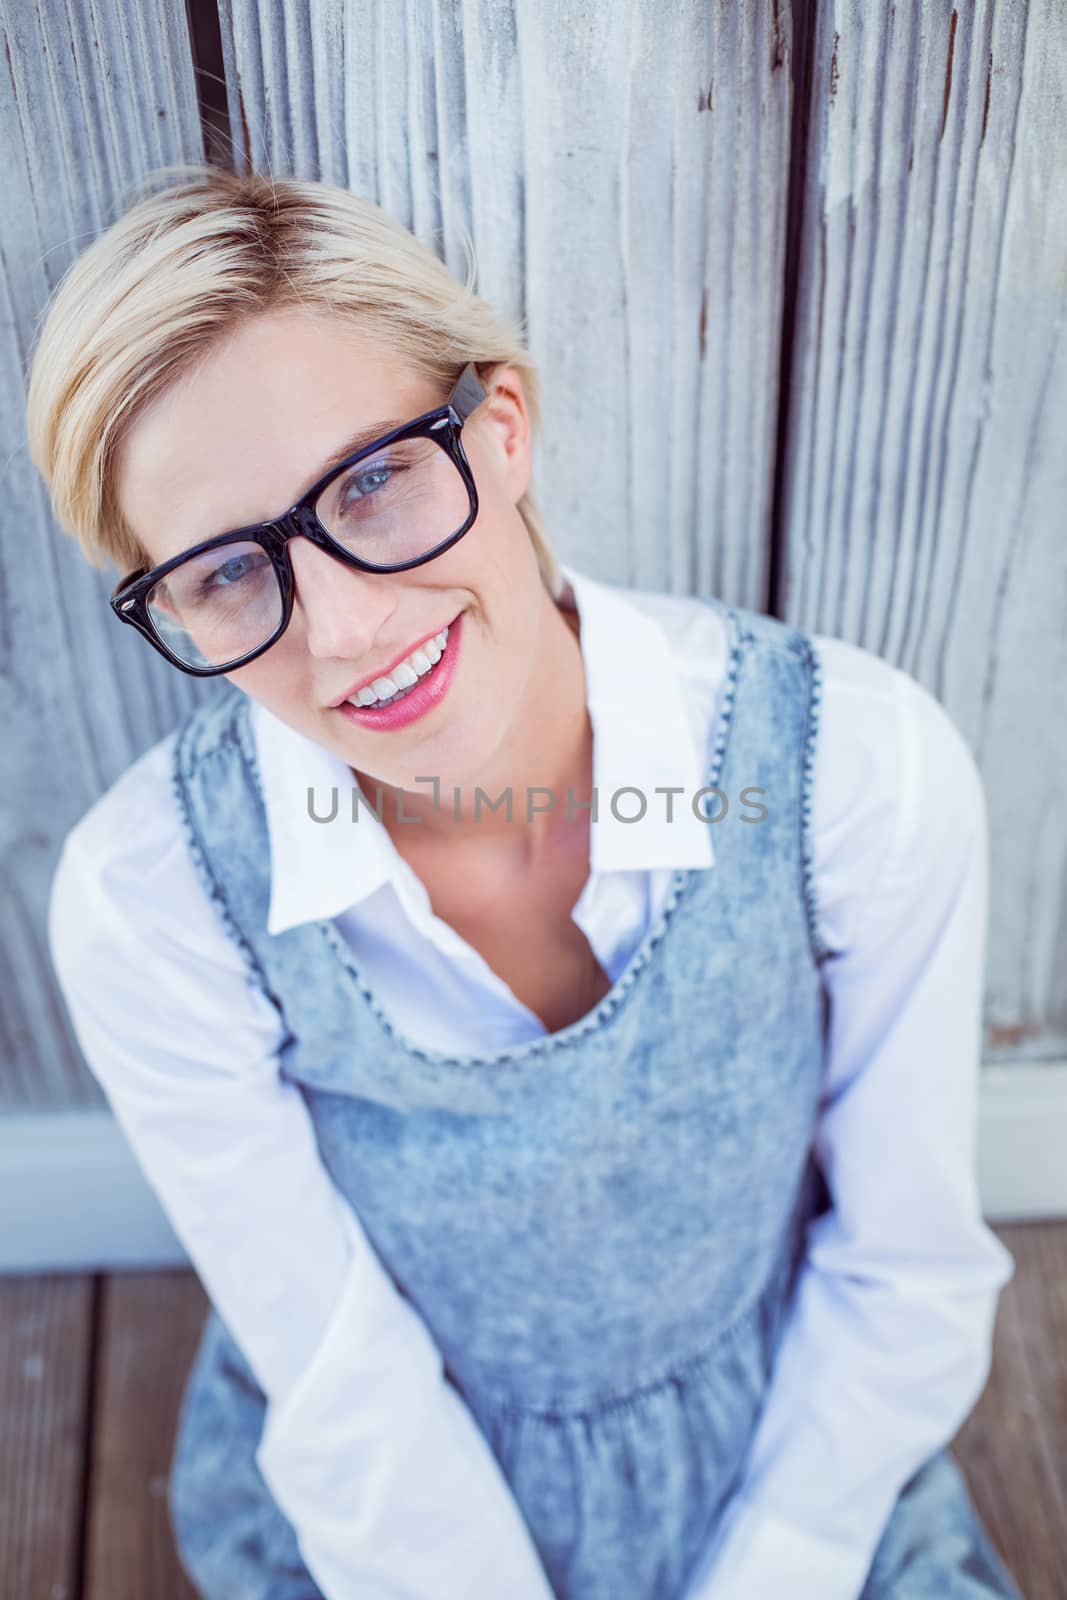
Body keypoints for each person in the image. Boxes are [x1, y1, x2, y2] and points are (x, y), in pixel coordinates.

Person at [28, 167, 1023, 1600]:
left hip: (791, 1460)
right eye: (228, 574)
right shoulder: (159, 904)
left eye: (370, 482)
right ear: (169, 606)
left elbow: (909, 1270)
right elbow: (338, 1377)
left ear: (501, 429)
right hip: (393, 1510)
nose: (348, 627)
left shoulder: (852, 771)